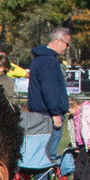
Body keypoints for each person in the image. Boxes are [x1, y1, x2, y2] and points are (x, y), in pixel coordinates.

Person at [24, 26, 71, 170]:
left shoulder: (39, 60)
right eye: (67, 44)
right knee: (47, 156)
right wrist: (55, 113)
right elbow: (49, 89)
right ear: (58, 41)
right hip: (47, 115)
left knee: (40, 154)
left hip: (39, 114)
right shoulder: (49, 62)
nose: (67, 48)